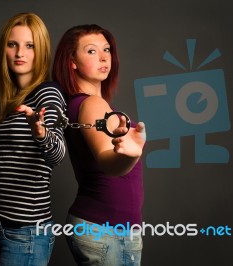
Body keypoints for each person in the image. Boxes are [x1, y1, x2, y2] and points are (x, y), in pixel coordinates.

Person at [0, 13, 66, 266]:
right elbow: (7, 168)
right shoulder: (13, 101)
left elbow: (57, 156)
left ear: (41, 51)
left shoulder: (48, 93)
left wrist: (40, 132)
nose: (19, 52)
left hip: (25, 233)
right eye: (12, 44)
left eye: (29, 45)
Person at [52, 24, 146, 265]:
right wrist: (129, 156)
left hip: (105, 228)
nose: (105, 56)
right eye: (91, 51)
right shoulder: (93, 104)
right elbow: (107, 159)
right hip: (107, 230)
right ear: (72, 61)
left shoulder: (81, 103)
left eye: (107, 49)